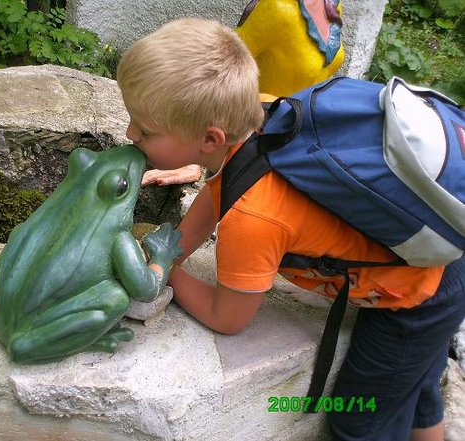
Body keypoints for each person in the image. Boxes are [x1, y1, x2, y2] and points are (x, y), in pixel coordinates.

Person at [116, 18, 465, 441]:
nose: (130, 132)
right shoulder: (264, 112)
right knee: (419, 388)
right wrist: (174, 249)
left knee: (358, 419)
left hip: (417, 298)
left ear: (210, 139)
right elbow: (217, 188)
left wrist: (166, 274)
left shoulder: (254, 219)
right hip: (439, 255)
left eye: (145, 129)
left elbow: (227, 317)